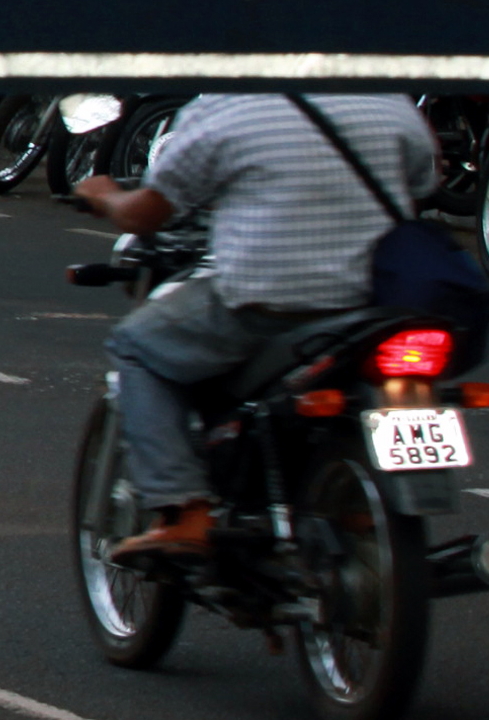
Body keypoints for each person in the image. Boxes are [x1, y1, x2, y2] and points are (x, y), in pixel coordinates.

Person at [76, 92, 441, 561]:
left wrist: (103, 195)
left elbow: (148, 213)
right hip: (374, 307)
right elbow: (428, 178)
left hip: (266, 303)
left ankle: (184, 510)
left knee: (136, 345)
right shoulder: (387, 100)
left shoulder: (226, 108)